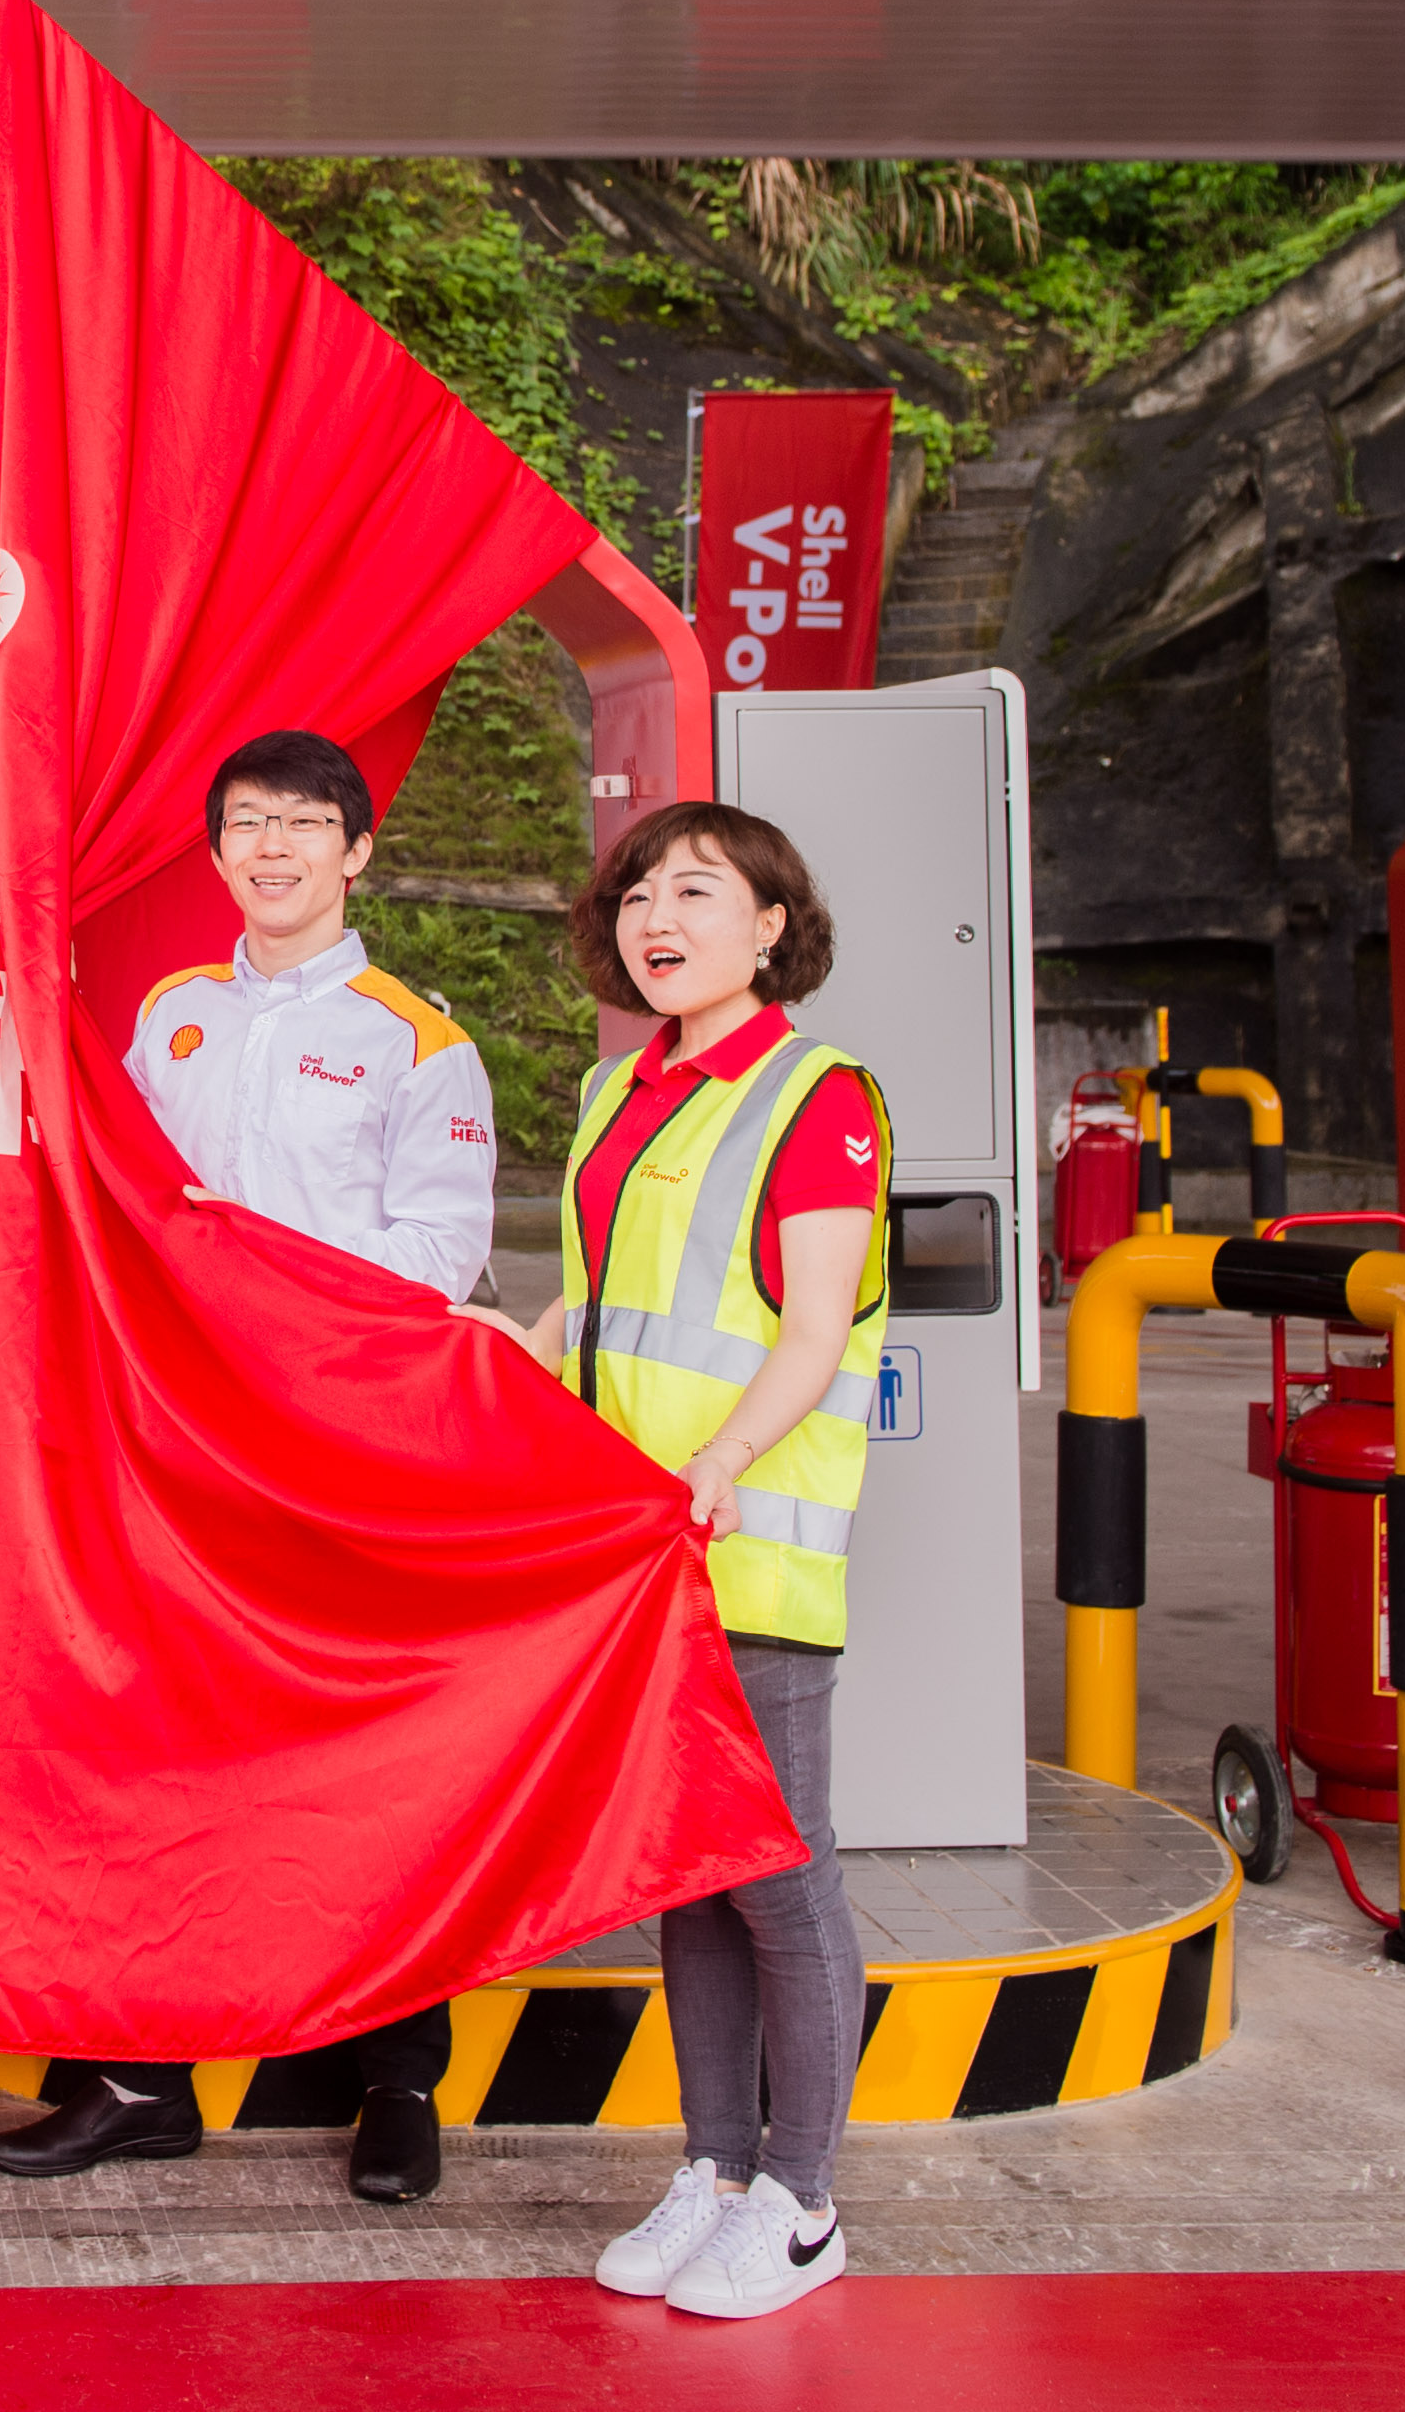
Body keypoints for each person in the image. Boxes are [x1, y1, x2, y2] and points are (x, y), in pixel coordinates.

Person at [0, 727, 500, 2205]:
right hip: (177, 1444)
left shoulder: (419, 1040)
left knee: (370, 1765)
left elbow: (439, 1254)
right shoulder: (173, 1016)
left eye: (303, 823)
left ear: (357, 852)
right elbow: (122, 1207)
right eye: (248, 825)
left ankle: (398, 2084)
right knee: (158, 1747)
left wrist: (262, 1294)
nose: (273, 848)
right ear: (216, 856)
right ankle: (139, 2077)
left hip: (340, 1452)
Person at [532, 800, 887, 2323]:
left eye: (695, 892)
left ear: (770, 925)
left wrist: (725, 1461)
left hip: (749, 1542)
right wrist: (503, 1364)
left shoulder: (817, 1094)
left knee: (782, 1879)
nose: (655, 919)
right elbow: (595, 1307)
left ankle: (803, 2201)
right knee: (696, 1877)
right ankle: (716, 2170)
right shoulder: (619, 1088)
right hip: (637, 1557)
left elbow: (814, 1326)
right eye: (635, 896)